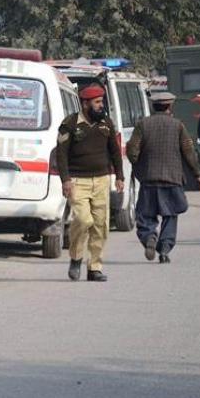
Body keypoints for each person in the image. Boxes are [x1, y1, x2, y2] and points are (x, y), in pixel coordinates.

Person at [126, 92, 200, 263]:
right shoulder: (178, 126)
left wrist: (139, 166)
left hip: (149, 179)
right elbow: (189, 152)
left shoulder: (143, 124)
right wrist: (198, 175)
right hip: (172, 179)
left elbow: (132, 151)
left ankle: (149, 237)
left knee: (145, 215)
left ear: (153, 107)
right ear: (170, 106)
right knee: (170, 215)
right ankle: (164, 249)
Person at [56, 84, 124, 282]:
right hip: (78, 181)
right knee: (84, 220)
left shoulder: (106, 124)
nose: (100, 105)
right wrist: (66, 180)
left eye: (101, 101)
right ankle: (76, 258)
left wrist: (119, 176)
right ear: (85, 104)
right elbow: (61, 154)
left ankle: (94, 267)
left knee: (100, 225)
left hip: (102, 180)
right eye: (97, 102)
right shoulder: (70, 123)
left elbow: (115, 151)